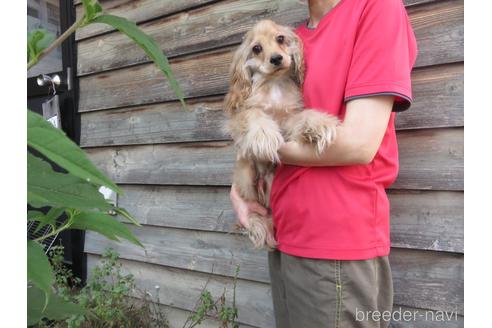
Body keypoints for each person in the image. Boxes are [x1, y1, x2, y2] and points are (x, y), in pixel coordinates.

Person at [230, 0, 418, 327]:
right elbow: (258, 117)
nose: (274, 49)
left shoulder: (376, 8)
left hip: (335, 246)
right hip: (283, 234)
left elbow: (359, 144)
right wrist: (238, 187)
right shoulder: (294, 39)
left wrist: (265, 148)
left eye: (277, 44)